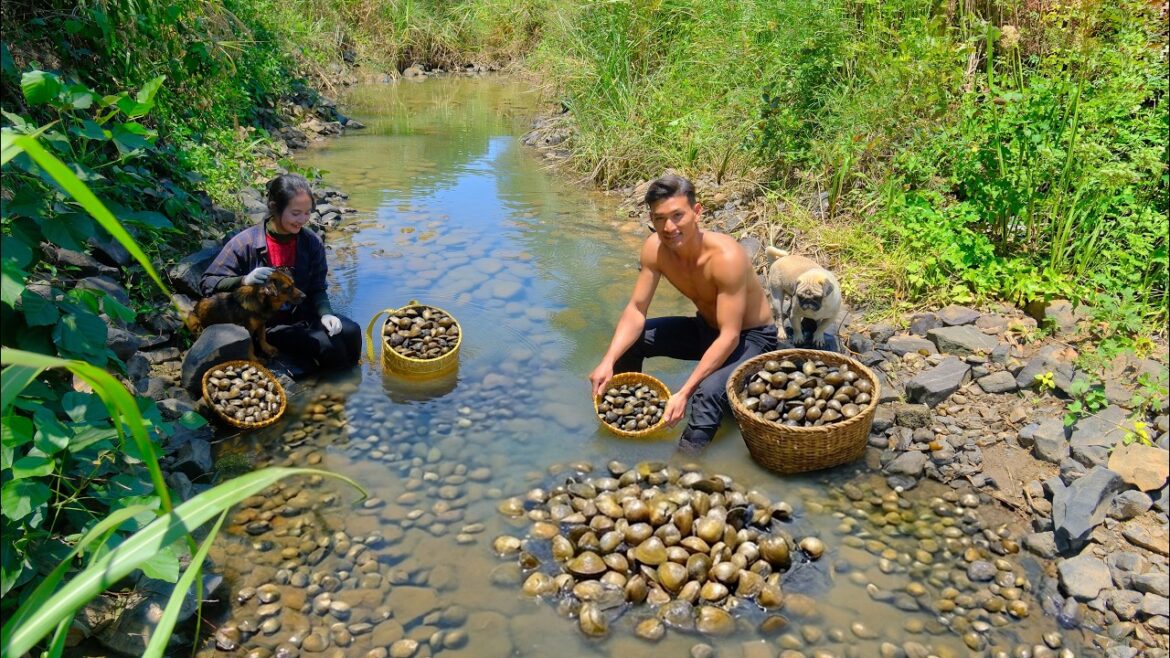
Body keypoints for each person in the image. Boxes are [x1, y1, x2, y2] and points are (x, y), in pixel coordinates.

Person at [588, 174, 782, 452]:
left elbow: (729, 337)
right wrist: (609, 359)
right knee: (631, 342)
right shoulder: (655, 249)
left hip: (750, 339)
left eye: (677, 216)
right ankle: (623, 416)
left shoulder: (726, 257)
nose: (668, 227)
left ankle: (685, 467)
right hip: (705, 329)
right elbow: (635, 309)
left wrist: (684, 392)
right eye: (659, 218)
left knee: (706, 394)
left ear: (697, 212)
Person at [201, 173, 361, 373]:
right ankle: (333, 396)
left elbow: (318, 288)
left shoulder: (311, 242)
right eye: (296, 213)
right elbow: (208, 282)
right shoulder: (245, 242)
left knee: (352, 332)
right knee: (328, 347)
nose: (303, 220)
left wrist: (326, 313)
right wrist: (243, 280)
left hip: (304, 312)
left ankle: (355, 385)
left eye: (307, 213)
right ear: (275, 208)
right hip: (267, 324)